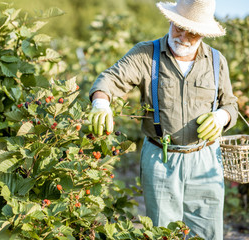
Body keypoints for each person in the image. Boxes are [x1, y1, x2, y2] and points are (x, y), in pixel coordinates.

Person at [88, 0, 238, 239]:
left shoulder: (217, 61)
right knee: (162, 232)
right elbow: (110, 78)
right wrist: (101, 103)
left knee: (207, 230)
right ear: (172, 20)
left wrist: (221, 117)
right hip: (161, 157)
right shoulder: (147, 54)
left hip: (206, 158)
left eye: (194, 32)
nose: (184, 37)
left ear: (204, 33)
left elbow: (230, 103)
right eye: (180, 27)